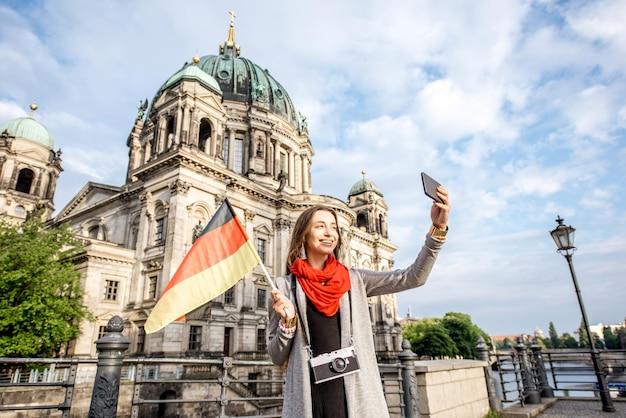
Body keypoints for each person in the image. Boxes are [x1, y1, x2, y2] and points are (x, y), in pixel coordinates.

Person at [268, 185, 450, 418]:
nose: (329, 233)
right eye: (320, 226)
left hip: (355, 398)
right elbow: (276, 356)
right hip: (309, 401)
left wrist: (438, 229)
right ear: (304, 234)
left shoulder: (355, 279)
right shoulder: (284, 287)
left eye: (334, 227)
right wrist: (287, 324)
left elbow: (414, 276)